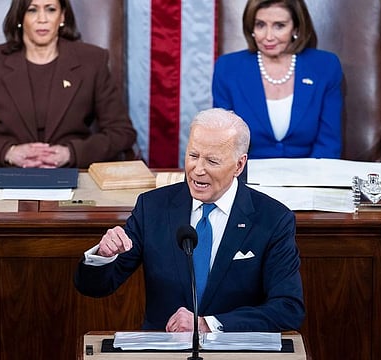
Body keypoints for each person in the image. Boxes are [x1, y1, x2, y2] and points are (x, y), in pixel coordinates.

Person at [75, 108, 305, 333]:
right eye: (193, 156)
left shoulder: (273, 219)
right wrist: (103, 257)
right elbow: (95, 288)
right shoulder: (153, 207)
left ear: (239, 165)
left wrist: (209, 324)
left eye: (212, 161)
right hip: (166, 350)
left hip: (233, 351)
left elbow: (288, 308)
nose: (198, 170)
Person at [0, 0, 137, 168]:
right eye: (32, 9)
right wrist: (7, 152)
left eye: (50, 9)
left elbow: (122, 133)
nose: (42, 19)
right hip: (6, 177)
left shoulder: (92, 61)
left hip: (72, 177)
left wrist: (71, 154)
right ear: (20, 17)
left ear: (62, 16)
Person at [212, 0, 343, 159]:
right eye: (260, 25)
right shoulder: (227, 68)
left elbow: (328, 143)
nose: (268, 37)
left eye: (279, 26)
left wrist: (310, 181)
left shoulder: (325, 66)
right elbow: (224, 142)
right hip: (248, 175)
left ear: (296, 27)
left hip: (310, 175)